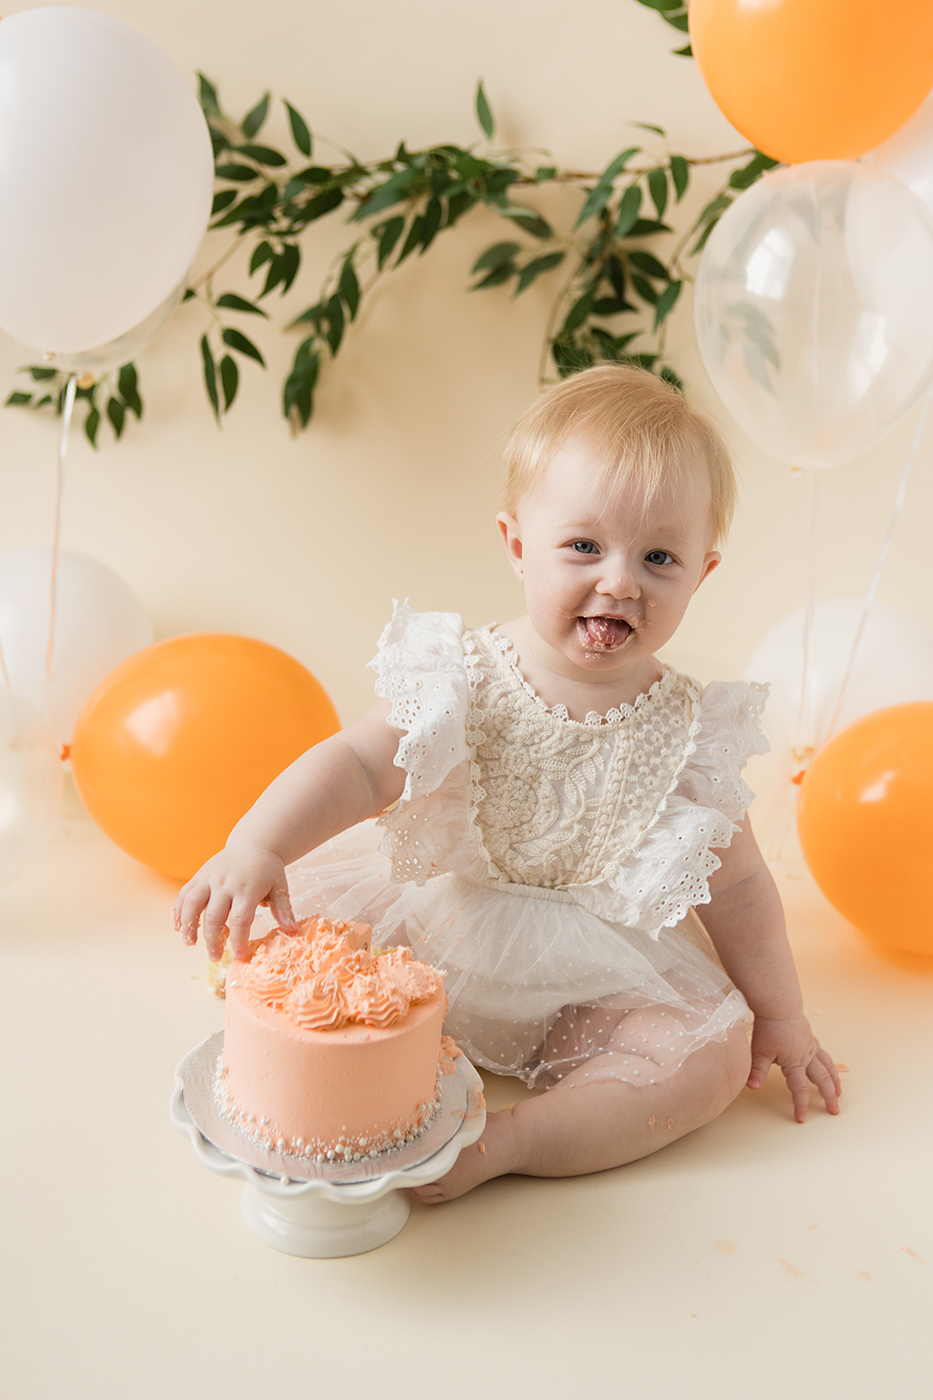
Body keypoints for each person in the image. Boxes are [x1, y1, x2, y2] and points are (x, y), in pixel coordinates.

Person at [174, 364, 841, 1203]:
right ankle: (356, 1070)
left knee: (706, 1061)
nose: (621, 580)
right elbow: (354, 765)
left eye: (658, 556)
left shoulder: (691, 734)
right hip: (431, 937)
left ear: (700, 576)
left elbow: (739, 887)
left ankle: (513, 1141)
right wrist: (257, 843)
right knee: (297, 967)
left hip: (591, 980)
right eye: (584, 546)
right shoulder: (461, 676)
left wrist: (779, 1014)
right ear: (518, 545)